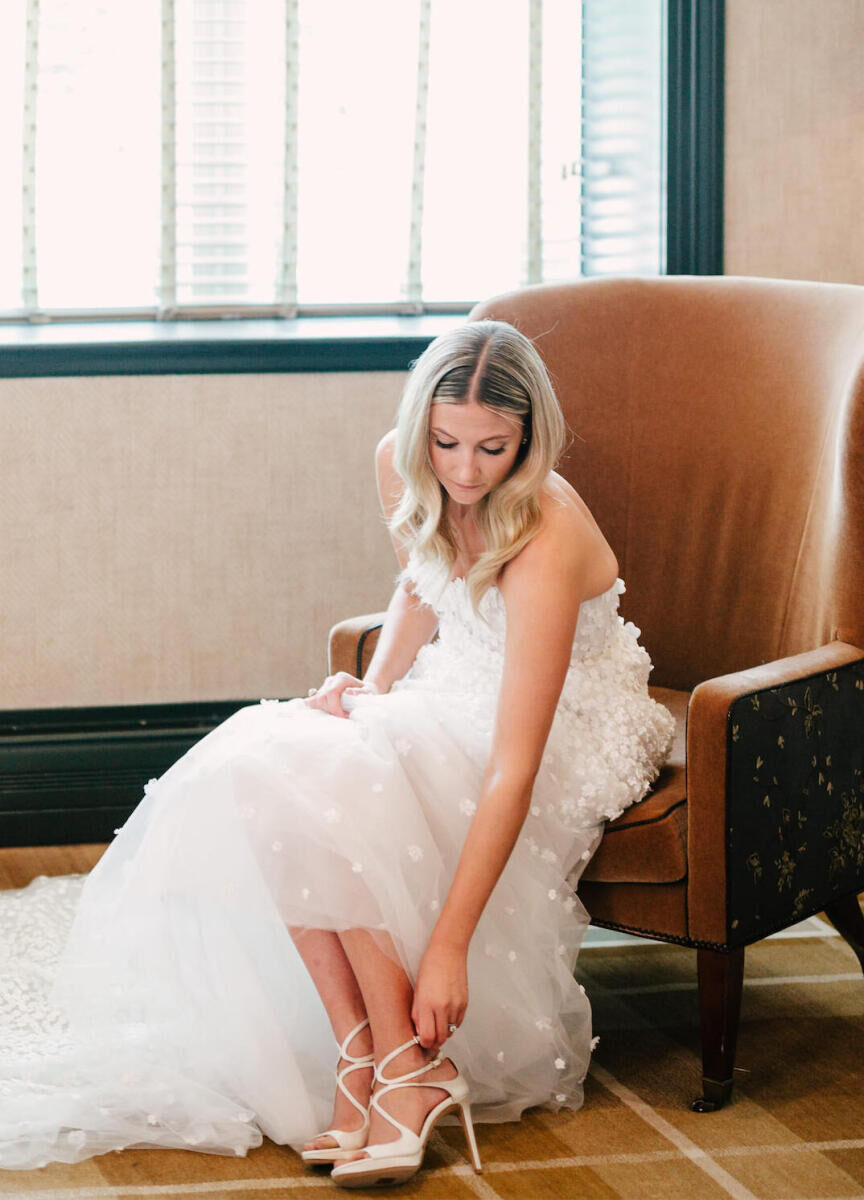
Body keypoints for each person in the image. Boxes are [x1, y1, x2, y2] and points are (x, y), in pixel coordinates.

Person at [0, 320, 674, 1185]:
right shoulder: (402, 460)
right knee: (264, 761)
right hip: (452, 683)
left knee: (338, 784)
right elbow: (423, 585)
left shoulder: (545, 531)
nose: (465, 472)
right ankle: (374, 1055)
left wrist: (448, 949)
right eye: (446, 443)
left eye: (493, 449)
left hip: (560, 722)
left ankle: (406, 1064)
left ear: (529, 441)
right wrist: (371, 692)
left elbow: (516, 761)